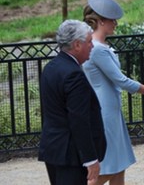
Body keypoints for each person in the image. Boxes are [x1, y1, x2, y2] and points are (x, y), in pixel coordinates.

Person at [82, 0, 144, 185]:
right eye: (112, 19)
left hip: (110, 108)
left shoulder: (99, 46)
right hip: (105, 111)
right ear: (101, 21)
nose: (115, 23)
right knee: (109, 167)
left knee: (119, 166)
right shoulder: (97, 49)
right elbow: (122, 81)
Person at [38, 19, 106, 185]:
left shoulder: (51, 67)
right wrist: (90, 159)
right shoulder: (73, 75)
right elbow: (79, 120)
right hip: (71, 154)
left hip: (54, 149)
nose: (92, 45)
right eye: (89, 42)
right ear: (77, 45)